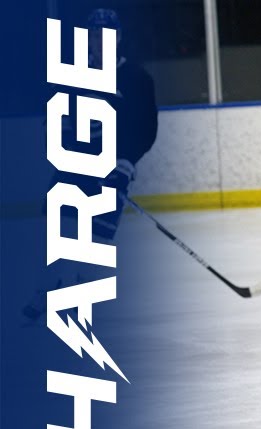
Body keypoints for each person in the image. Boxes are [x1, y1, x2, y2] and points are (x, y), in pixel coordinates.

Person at [24, 8, 157, 320]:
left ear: (119, 38)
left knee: (97, 240)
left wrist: (126, 163)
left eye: (107, 34)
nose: (100, 41)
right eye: (95, 35)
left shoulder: (138, 79)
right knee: (60, 231)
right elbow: (57, 119)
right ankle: (48, 289)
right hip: (75, 168)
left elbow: (147, 129)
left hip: (115, 170)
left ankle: (77, 293)